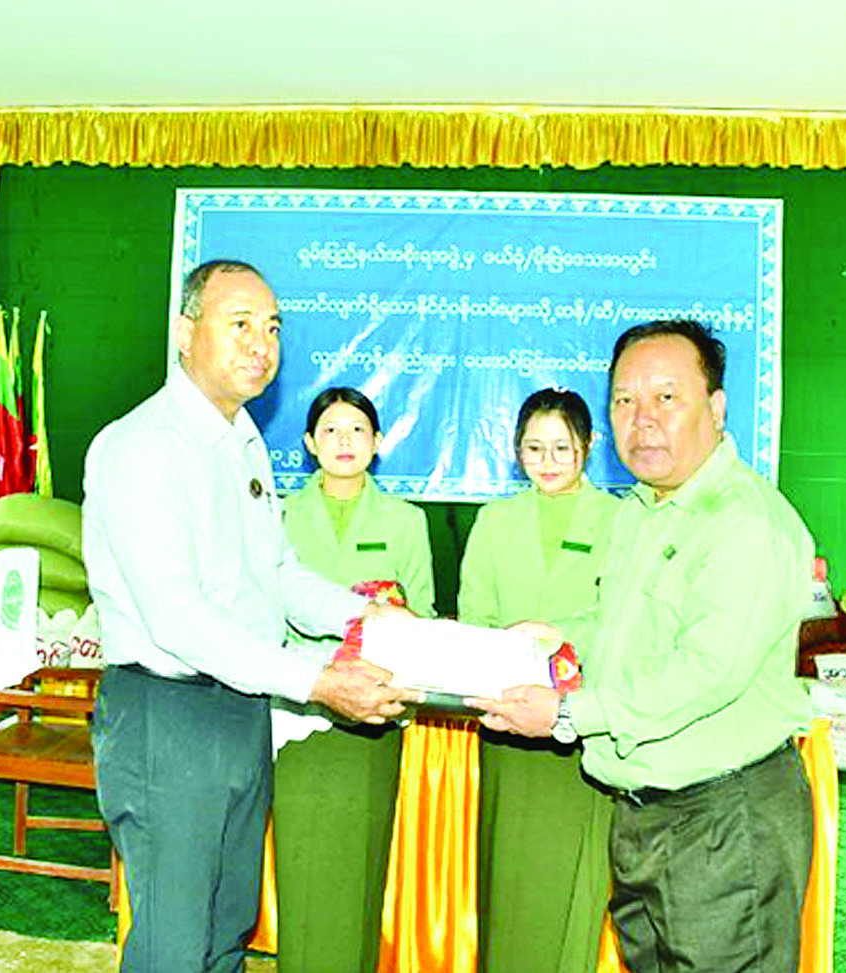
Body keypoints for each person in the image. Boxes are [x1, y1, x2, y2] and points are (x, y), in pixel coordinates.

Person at [83, 259, 421, 973]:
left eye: (271, 328)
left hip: (241, 712)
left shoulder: (243, 442)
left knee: (227, 928)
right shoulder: (141, 445)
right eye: (239, 324)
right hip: (166, 717)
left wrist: (373, 618)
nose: (260, 345)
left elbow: (278, 575)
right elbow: (177, 617)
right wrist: (317, 681)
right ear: (185, 332)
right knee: (174, 947)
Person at [471, 320, 815, 973]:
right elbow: (624, 625)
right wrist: (558, 634)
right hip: (643, 813)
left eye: (666, 397)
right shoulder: (641, 510)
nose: (643, 419)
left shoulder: (744, 522)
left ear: (716, 407)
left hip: (722, 815)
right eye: (625, 400)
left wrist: (567, 714)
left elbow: (706, 670)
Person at [457, 387, 619, 973]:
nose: (547, 461)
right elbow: (474, 615)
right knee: (509, 880)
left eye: (561, 448)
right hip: (506, 718)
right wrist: (507, 653)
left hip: (581, 726)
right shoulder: (494, 520)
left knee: (570, 884)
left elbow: (621, 618)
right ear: (515, 449)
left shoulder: (621, 520)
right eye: (533, 448)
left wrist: (558, 634)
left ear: (589, 446)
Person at [274, 387, 435, 973]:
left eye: (358, 430)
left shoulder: (407, 521)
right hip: (296, 709)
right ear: (309, 443)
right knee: (301, 864)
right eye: (331, 430)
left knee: (359, 868)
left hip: (373, 711)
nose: (345, 442)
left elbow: (424, 617)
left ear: (378, 442)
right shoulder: (278, 515)